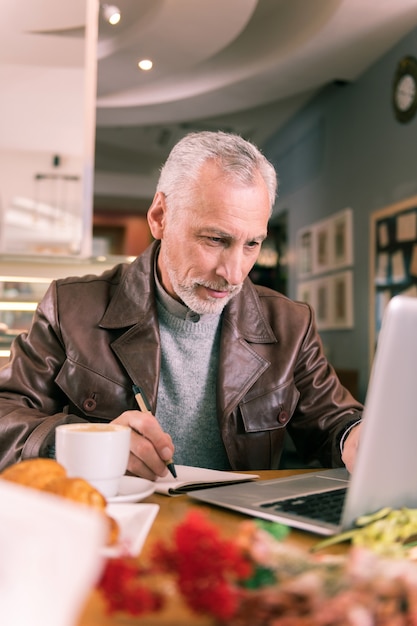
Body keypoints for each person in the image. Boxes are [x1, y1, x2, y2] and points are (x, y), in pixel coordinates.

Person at [0, 131, 362, 479]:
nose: (234, 274)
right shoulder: (71, 306)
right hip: (114, 523)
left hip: (236, 530)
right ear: (160, 217)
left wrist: (357, 437)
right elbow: (5, 416)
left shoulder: (290, 323)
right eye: (216, 239)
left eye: (252, 244)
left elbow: (334, 420)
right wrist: (84, 443)